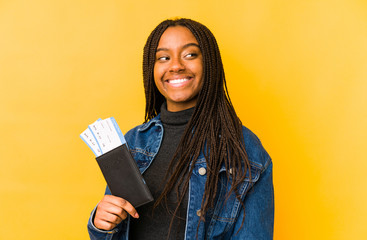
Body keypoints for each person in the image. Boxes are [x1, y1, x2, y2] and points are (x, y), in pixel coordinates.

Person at [87, 18, 274, 240]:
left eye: (190, 55)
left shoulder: (244, 149)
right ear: (152, 69)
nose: (175, 65)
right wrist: (101, 224)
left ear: (209, 63)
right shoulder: (134, 142)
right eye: (163, 58)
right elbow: (113, 230)